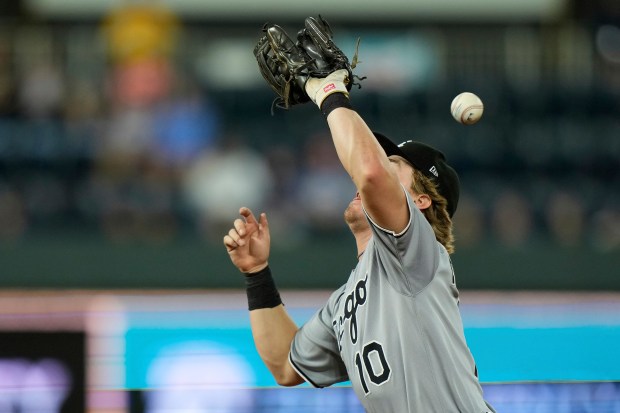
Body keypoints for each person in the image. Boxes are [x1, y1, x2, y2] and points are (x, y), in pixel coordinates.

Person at [223, 67, 495, 412]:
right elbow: (284, 364)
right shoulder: (346, 300)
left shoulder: (415, 253)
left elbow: (369, 173)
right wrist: (257, 272)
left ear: (421, 200)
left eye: (391, 163)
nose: (373, 167)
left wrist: (331, 94)